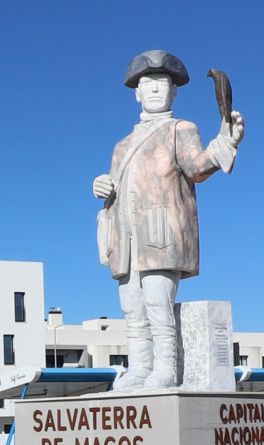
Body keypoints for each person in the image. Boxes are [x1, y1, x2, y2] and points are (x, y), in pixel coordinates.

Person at [92, 50, 245, 390]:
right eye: (149, 84)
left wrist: (225, 141)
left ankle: (164, 368)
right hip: (126, 239)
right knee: (132, 309)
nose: (156, 90)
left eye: (163, 84)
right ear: (137, 93)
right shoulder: (122, 146)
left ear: (174, 92)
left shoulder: (181, 129)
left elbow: (197, 166)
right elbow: (115, 187)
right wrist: (100, 184)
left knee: (158, 305)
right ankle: (139, 367)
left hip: (162, 232)